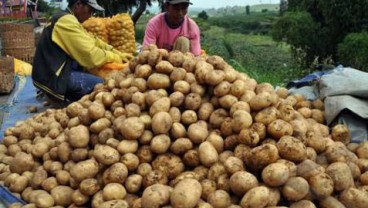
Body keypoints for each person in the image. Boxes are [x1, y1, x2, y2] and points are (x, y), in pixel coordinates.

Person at [32, 0, 133, 102]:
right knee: (102, 85)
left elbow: (93, 40)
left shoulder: (69, 18)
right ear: (78, 5)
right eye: (90, 10)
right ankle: (55, 95)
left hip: (57, 69)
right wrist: (116, 58)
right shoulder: (66, 21)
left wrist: (117, 52)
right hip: (52, 76)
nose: (90, 15)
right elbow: (91, 55)